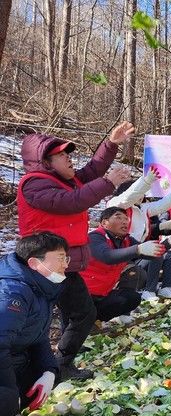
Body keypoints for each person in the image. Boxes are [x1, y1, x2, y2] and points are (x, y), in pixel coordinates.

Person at [17, 122, 134, 380]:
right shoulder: (34, 184)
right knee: (40, 321)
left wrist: (111, 144)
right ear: (45, 161)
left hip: (64, 265)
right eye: (62, 155)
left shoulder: (64, 180)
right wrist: (107, 183)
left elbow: (92, 170)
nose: (69, 159)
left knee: (82, 313)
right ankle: (34, 371)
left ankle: (61, 364)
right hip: (42, 265)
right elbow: (70, 203)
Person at [0, 233, 69, 416]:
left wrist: (49, 371)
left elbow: (39, 335)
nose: (65, 265)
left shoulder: (40, 286)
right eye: (60, 258)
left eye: (66, 258)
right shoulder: (13, 291)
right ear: (34, 262)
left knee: (46, 376)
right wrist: (9, 391)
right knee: (6, 398)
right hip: (5, 353)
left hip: (14, 353)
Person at [107, 170, 171, 300]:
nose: (142, 196)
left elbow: (162, 205)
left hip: (138, 254)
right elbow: (129, 196)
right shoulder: (115, 205)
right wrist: (147, 180)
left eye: (143, 194)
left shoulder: (142, 209)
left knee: (168, 254)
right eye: (140, 193)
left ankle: (166, 287)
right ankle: (149, 290)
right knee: (155, 253)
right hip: (122, 256)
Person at [80, 207, 171, 324]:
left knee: (132, 297)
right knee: (78, 326)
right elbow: (108, 256)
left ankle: (97, 319)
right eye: (118, 217)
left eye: (126, 218)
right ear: (104, 223)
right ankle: (85, 321)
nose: (125, 221)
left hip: (103, 294)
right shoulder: (95, 237)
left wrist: (170, 241)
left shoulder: (126, 240)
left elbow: (151, 254)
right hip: (82, 294)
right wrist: (138, 249)